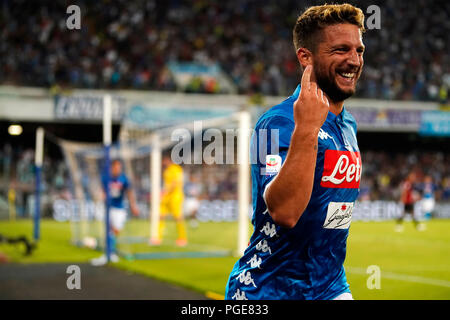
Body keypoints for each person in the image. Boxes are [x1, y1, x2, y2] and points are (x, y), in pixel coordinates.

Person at [225, 4, 365, 300]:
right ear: (305, 57)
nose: (353, 60)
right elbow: (285, 213)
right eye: (341, 50)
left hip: (330, 286)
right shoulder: (277, 122)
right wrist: (307, 130)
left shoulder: (348, 124)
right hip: (269, 288)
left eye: (359, 50)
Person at [91, 159, 139, 266]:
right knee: (109, 230)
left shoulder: (124, 178)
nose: (118, 169)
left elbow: (129, 192)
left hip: (119, 208)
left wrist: (133, 206)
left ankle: (110, 250)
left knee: (116, 230)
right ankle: (109, 252)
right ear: (112, 167)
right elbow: (103, 191)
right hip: (108, 207)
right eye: (116, 167)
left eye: (119, 167)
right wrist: (101, 198)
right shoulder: (106, 177)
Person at [150, 155, 187, 246]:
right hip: (166, 197)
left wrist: (164, 192)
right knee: (161, 215)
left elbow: (175, 184)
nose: (163, 162)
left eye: (164, 160)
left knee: (177, 217)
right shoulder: (166, 170)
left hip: (175, 197)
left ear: (168, 159)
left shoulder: (176, 169)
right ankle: (157, 237)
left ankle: (182, 238)